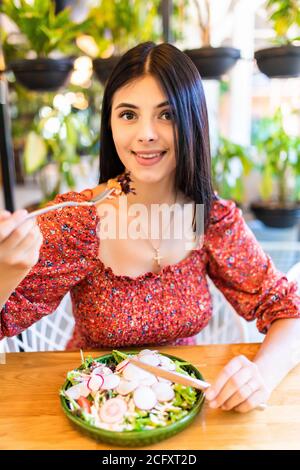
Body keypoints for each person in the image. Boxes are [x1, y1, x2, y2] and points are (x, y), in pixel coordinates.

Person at [1, 42, 300, 414]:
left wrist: (261, 377)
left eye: (167, 115)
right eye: (128, 115)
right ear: (109, 121)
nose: (145, 134)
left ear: (192, 121)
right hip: (96, 409)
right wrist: (5, 270)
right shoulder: (80, 219)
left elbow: (289, 311)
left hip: (184, 406)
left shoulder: (210, 218)